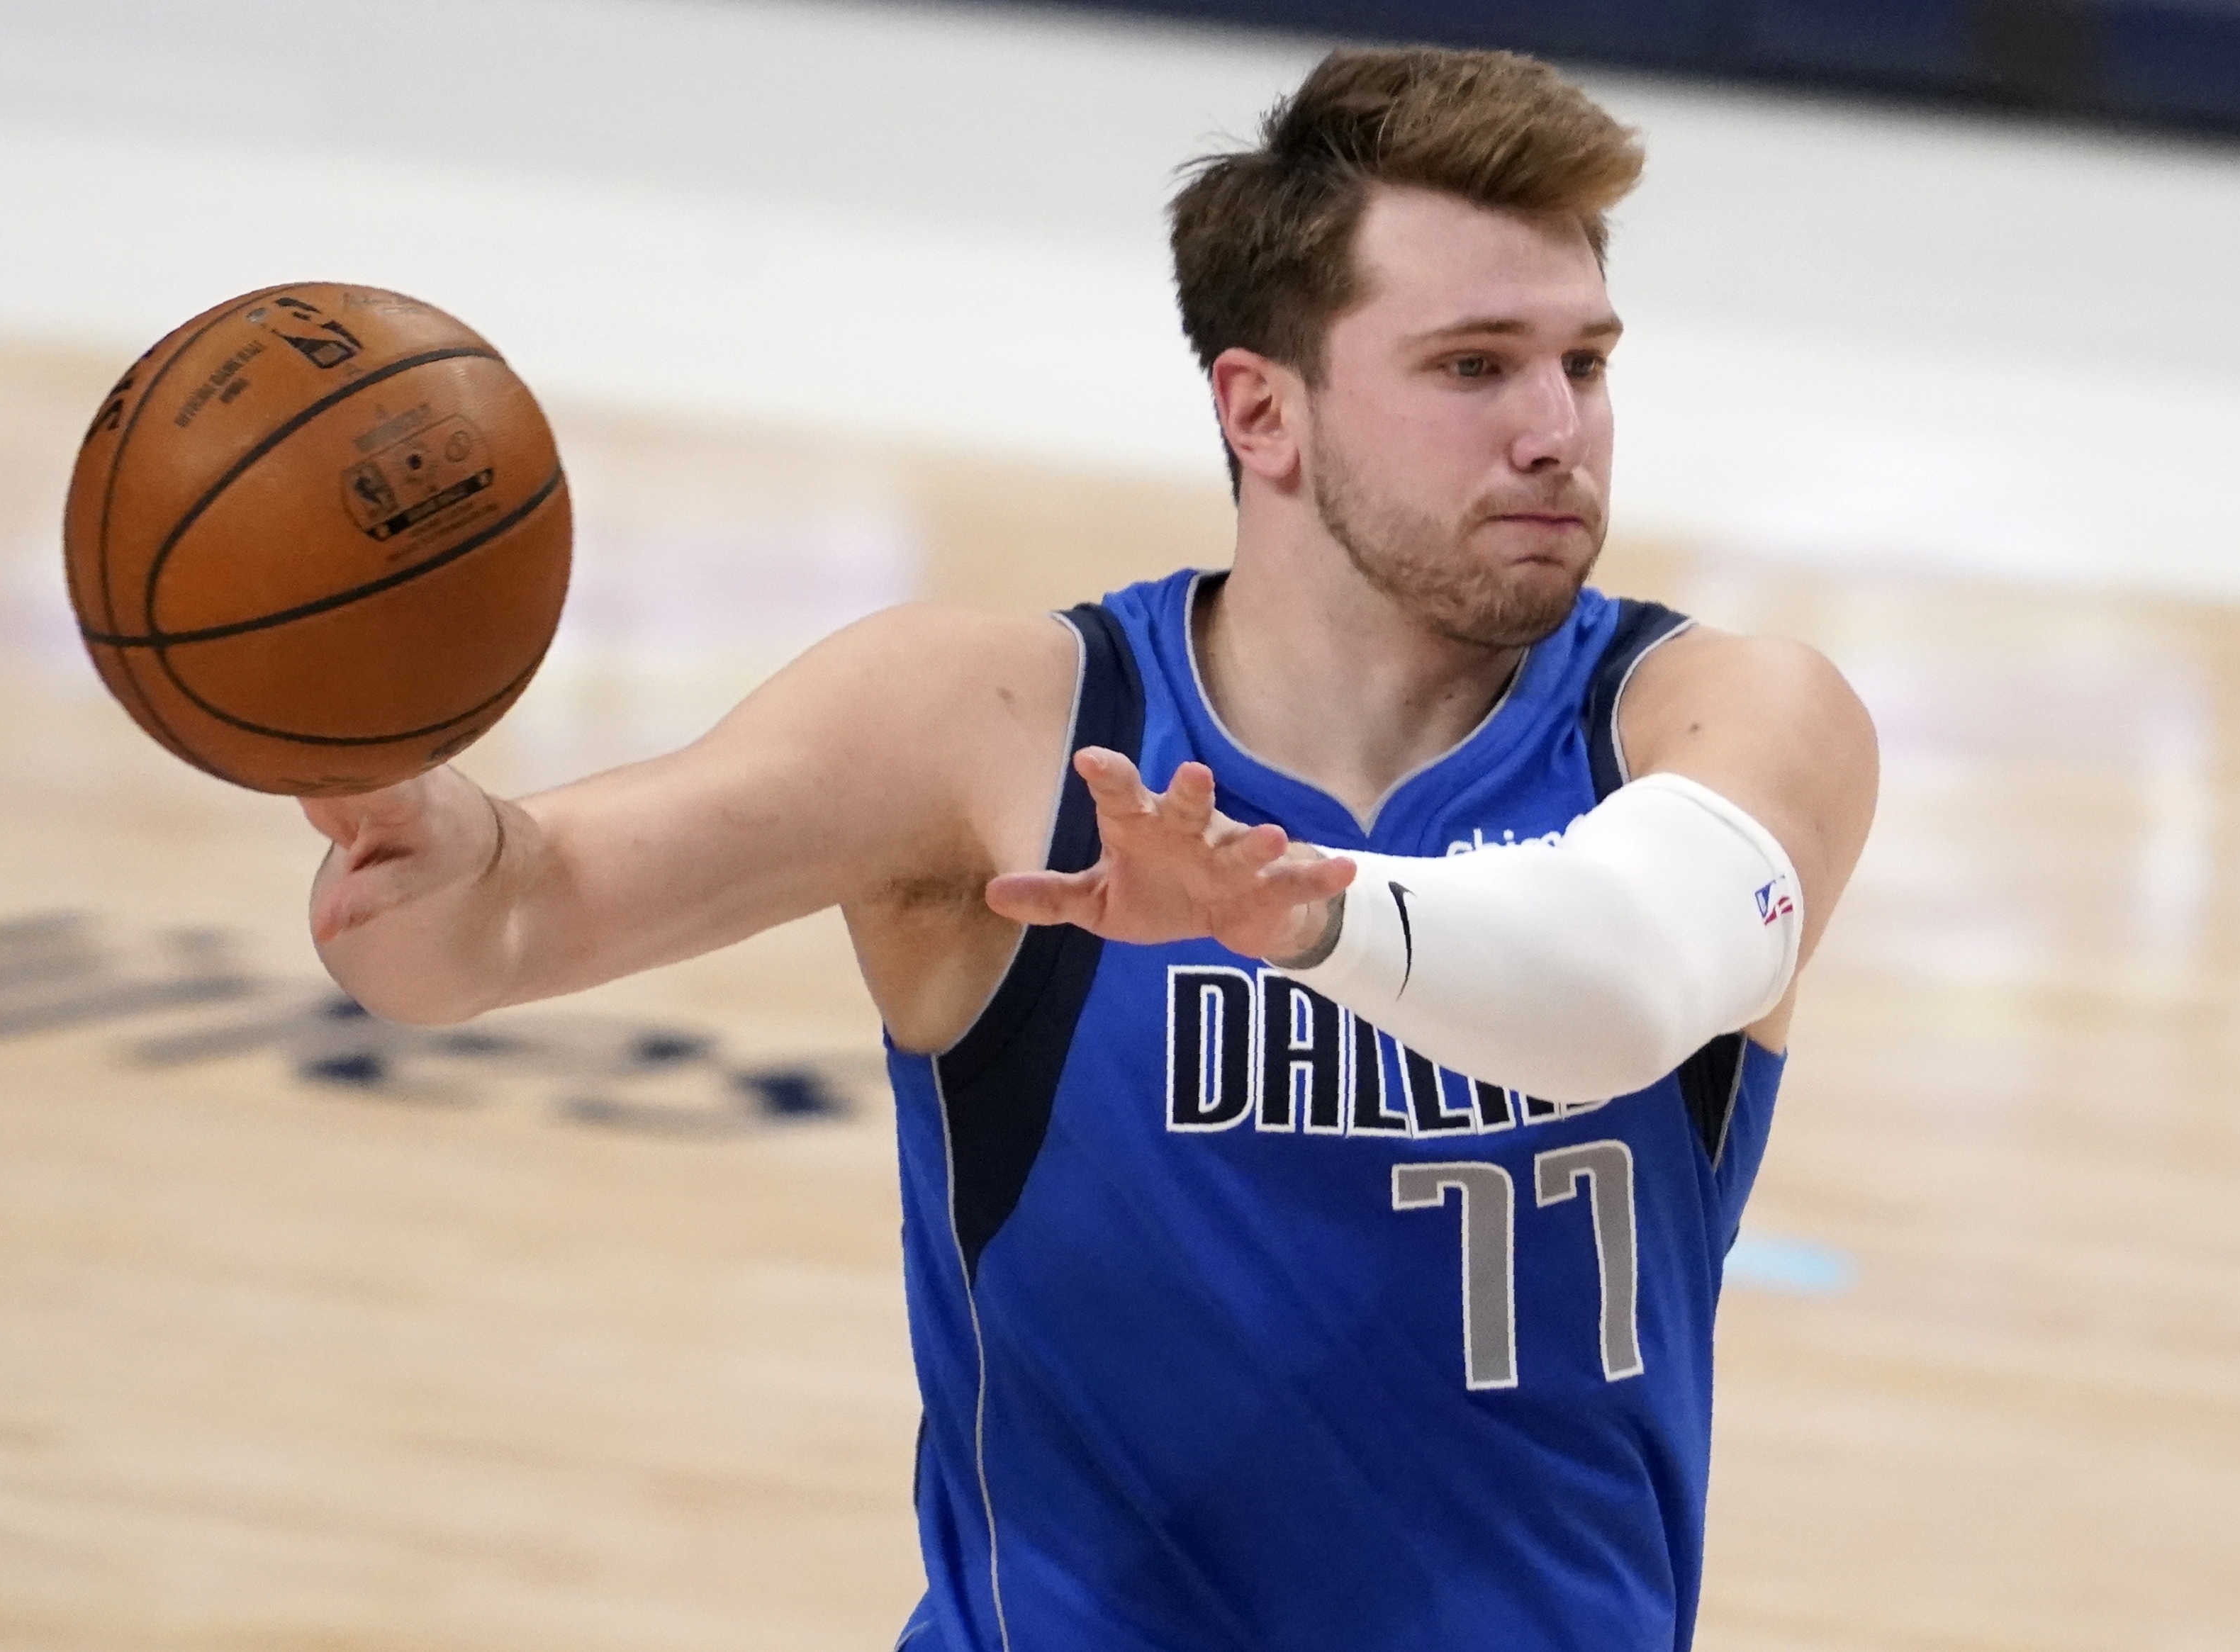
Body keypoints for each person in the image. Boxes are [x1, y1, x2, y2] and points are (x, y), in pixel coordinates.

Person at [303, 45, 1876, 1652]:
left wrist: (1303, 920)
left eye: (1586, 363)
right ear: (1262, 407)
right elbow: (490, 927)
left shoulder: (1717, 718)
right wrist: (419, 839)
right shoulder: (988, 724)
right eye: (1475, 367)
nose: (1557, 431)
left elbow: (1627, 972)